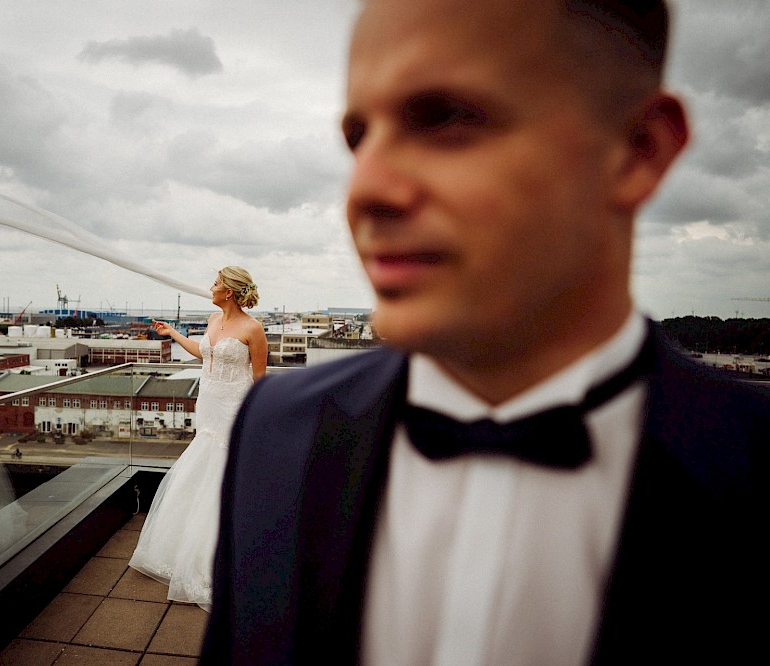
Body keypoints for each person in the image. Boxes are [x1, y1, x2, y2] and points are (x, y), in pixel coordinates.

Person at [202, 1, 767, 664]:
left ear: (636, 149)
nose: (365, 191)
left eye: (444, 117)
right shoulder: (277, 433)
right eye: (359, 136)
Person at [129, 265, 267, 611]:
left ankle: (212, 561)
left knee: (222, 474)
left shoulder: (253, 328)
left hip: (234, 407)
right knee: (200, 470)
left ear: (230, 292)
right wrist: (171, 332)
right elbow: (203, 352)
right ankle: (183, 550)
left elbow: (260, 379)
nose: (211, 287)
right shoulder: (212, 319)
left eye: (217, 283)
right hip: (208, 404)